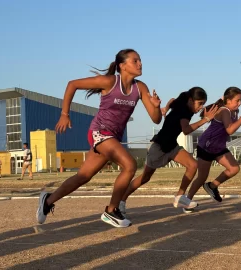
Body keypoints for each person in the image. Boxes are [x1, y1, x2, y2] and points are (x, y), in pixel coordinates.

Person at [36, 49, 162, 228]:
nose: (140, 63)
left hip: (113, 137)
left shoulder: (140, 88)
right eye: (135, 61)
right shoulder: (109, 82)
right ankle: (111, 210)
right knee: (130, 165)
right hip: (100, 132)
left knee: (83, 176)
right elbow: (72, 84)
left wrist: (156, 107)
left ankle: (48, 201)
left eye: (140, 60)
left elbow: (156, 119)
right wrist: (65, 114)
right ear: (122, 66)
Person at [120, 87, 217, 216]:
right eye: (200, 103)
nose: (200, 107)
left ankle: (179, 197)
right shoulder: (184, 111)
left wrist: (165, 108)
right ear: (190, 100)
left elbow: (172, 100)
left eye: (203, 104)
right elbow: (186, 130)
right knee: (145, 177)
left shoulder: (183, 105)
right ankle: (121, 201)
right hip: (159, 147)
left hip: (172, 146)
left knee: (193, 165)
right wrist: (205, 119)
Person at [186, 87, 241, 211]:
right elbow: (230, 130)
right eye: (237, 100)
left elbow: (230, 129)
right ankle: (187, 201)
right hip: (207, 146)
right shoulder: (224, 111)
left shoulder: (234, 111)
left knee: (234, 168)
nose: (240, 103)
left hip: (219, 147)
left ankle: (212, 186)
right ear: (228, 100)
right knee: (201, 177)